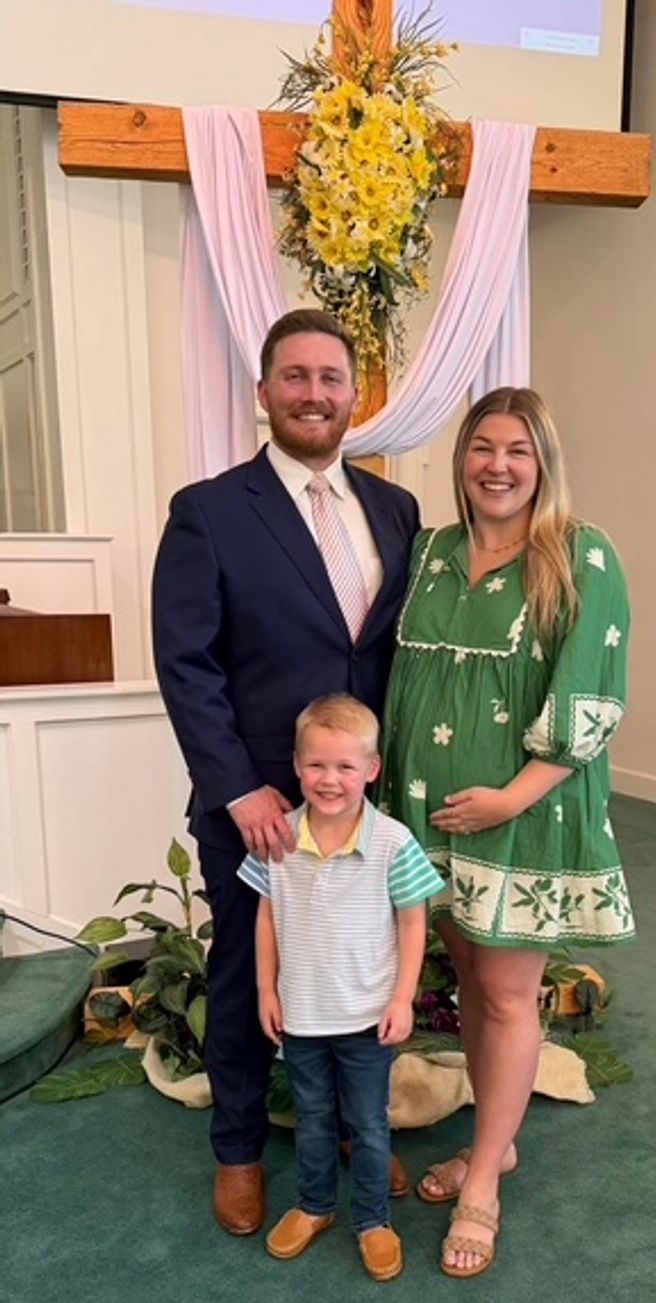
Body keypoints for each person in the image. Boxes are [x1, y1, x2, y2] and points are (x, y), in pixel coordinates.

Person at [152, 309, 420, 1236]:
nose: (314, 393)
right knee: (245, 968)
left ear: (354, 396)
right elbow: (186, 662)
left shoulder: (395, 511)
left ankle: (352, 1129)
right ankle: (237, 1149)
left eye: (331, 378)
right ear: (263, 392)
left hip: (363, 802)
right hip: (260, 801)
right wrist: (237, 787)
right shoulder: (210, 511)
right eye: (295, 377)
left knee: (360, 964)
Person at [380, 386, 635, 1278]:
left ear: (543, 463)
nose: (497, 465)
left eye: (518, 450)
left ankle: (483, 1178)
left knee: (506, 994)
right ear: (461, 461)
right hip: (425, 811)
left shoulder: (582, 555)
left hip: (520, 816)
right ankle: (502, 1135)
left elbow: (590, 702)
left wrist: (508, 799)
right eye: (482, 447)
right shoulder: (429, 552)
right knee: (472, 980)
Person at [238, 695, 444, 1280]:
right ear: (296, 765)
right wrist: (266, 991)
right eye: (317, 765)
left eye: (346, 766)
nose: (330, 780)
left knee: (370, 1126)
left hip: (367, 1018)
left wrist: (402, 998)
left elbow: (413, 922)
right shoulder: (278, 837)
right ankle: (315, 1206)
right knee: (313, 1119)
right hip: (302, 1016)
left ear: (371, 770)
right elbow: (265, 917)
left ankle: (374, 1220)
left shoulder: (393, 843)